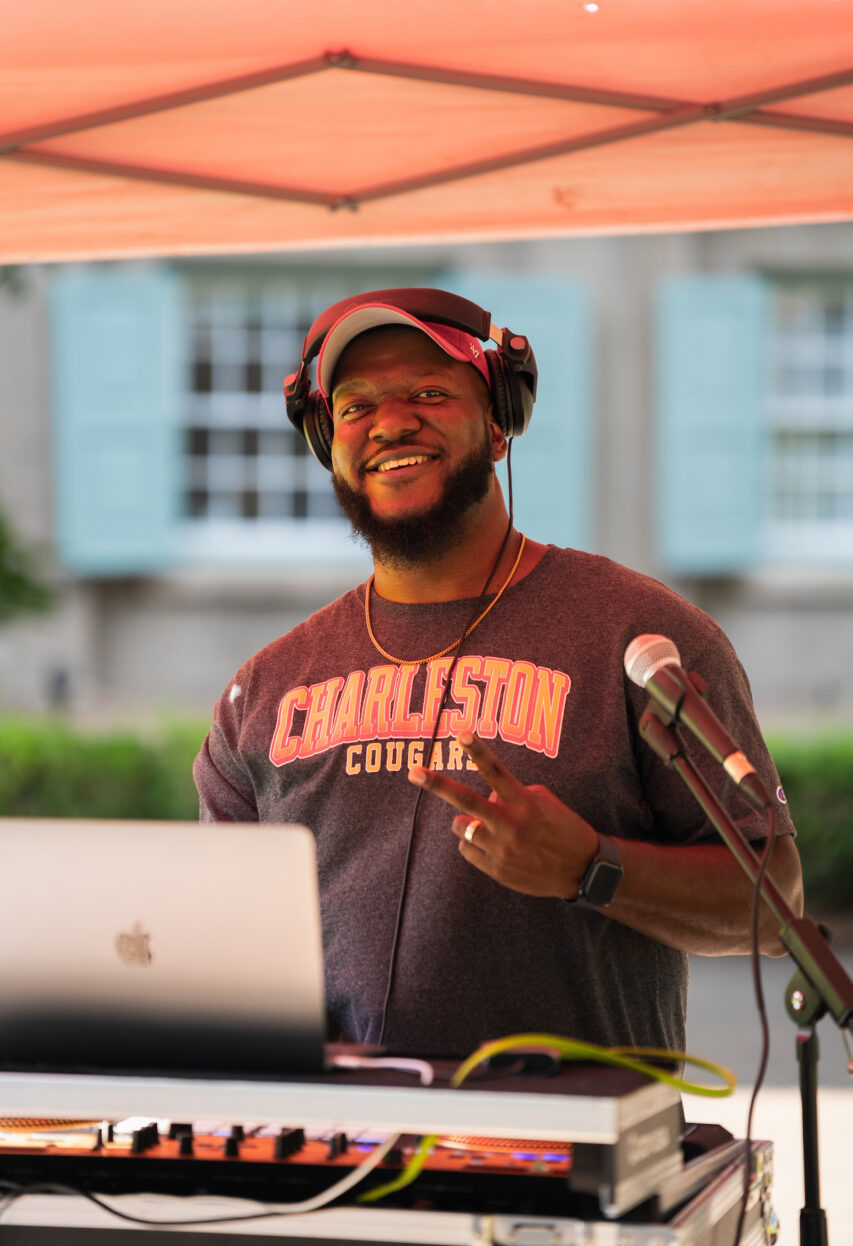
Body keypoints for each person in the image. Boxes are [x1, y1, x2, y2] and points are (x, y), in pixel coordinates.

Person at [194, 287, 802, 1060]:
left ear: (499, 424)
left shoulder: (641, 640)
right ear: (325, 439)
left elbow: (775, 901)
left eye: (428, 392)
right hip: (333, 1154)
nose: (389, 422)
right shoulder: (265, 690)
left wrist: (592, 867)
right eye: (354, 406)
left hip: (571, 1151)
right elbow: (219, 943)